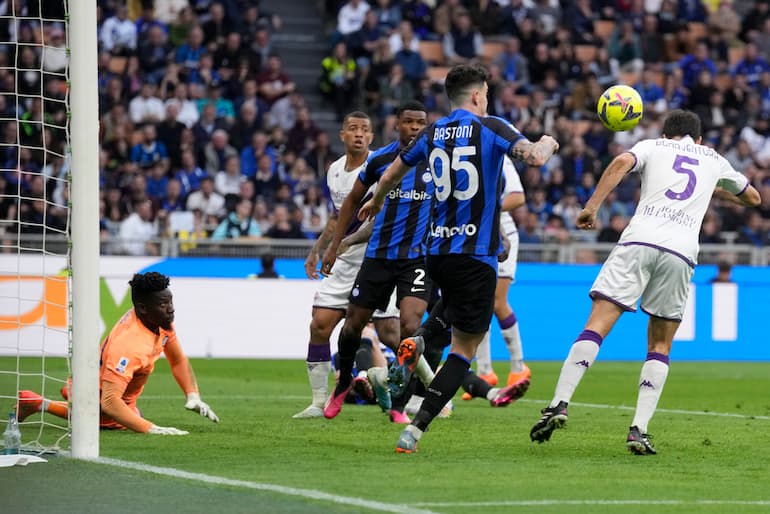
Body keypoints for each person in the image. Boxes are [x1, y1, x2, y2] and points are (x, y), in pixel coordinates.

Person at [529, 110, 761, 455]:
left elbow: (621, 162)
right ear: (697, 139)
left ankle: (559, 403)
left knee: (597, 326)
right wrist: (709, 189)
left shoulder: (653, 146)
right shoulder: (713, 158)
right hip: (681, 252)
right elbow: (753, 198)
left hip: (639, 240)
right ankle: (639, 429)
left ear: (667, 133)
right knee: (659, 344)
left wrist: (592, 207)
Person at [358, 64, 559, 452]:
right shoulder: (491, 127)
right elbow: (533, 157)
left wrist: (377, 201)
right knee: (463, 351)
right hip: (475, 256)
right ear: (479, 95)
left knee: (446, 311)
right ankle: (413, 431)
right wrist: (549, 142)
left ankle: (417, 341)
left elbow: (392, 173)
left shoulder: (433, 132)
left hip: (435, 253)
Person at [320, 101, 438, 423]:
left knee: (411, 330)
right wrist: (333, 248)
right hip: (378, 258)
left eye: (420, 123)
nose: (415, 128)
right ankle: (344, 380)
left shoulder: (438, 161)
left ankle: (398, 402)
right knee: (353, 325)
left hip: (417, 260)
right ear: (396, 124)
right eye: (409, 122)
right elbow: (350, 204)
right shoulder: (379, 160)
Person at [16, 272, 219, 435]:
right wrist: (151, 428)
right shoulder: (130, 346)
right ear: (142, 308)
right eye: (163, 304)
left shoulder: (159, 321)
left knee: (128, 414)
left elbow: (177, 361)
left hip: (103, 386)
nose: (171, 309)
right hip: (92, 390)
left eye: (170, 302)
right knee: (116, 418)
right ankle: (42, 403)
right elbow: (111, 402)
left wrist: (193, 396)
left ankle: (41, 402)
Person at [294, 111, 400, 420]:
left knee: (392, 334)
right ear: (342, 135)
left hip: (375, 259)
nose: (358, 134)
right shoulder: (334, 171)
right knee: (319, 326)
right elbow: (336, 216)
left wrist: (345, 244)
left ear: (371, 138)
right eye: (352, 128)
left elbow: (380, 219)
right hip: (342, 262)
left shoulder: (382, 168)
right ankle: (318, 402)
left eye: (364, 130)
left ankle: (429, 392)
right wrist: (317, 250)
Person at [462, 150, 531, 401]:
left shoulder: (500, 159)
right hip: (473, 234)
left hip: (502, 235)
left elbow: (518, 197)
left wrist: (486, 207)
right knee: (478, 303)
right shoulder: (463, 157)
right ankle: (485, 371)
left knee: (497, 302)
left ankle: (518, 366)